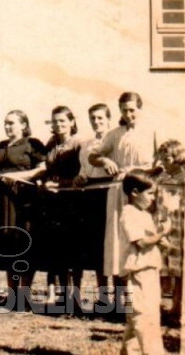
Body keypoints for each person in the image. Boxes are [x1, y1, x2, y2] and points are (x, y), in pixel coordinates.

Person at [89, 92, 158, 307]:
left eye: (132, 110)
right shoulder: (115, 133)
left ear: (140, 109)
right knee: (118, 240)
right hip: (119, 190)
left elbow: (163, 160)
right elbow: (94, 155)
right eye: (124, 110)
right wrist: (105, 160)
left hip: (143, 191)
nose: (129, 115)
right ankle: (119, 301)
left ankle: (141, 298)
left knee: (141, 239)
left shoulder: (151, 131)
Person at [0, 110, 47, 309]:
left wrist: (21, 177)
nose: (8, 126)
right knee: (8, 245)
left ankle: (25, 295)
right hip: (2, 201)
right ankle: (12, 294)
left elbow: (44, 168)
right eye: (6, 123)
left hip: (23, 200)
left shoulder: (32, 144)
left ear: (23, 124)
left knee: (24, 244)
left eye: (12, 123)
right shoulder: (0, 146)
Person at [37, 106, 84, 311]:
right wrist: (44, 183)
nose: (58, 125)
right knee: (54, 250)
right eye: (54, 122)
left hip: (72, 202)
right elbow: (46, 171)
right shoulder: (51, 144)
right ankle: (57, 296)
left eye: (62, 121)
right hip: (51, 203)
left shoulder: (79, 144)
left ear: (72, 122)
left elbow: (82, 177)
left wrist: (61, 185)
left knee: (73, 250)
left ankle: (74, 298)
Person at [119, 170, 169, 355]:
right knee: (144, 318)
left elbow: (150, 240)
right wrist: (161, 234)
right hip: (138, 272)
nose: (153, 198)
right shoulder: (128, 213)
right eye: (149, 193)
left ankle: (129, 352)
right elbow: (140, 242)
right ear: (134, 193)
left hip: (150, 270)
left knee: (142, 317)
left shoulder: (145, 215)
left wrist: (162, 241)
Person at [76, 103, 115, 307]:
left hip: (111, 191)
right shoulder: (86, 144)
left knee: (112, 243)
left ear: (108, 119)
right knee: (96, 245)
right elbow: (84, 169)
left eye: (100, 118)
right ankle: (103, 295)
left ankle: (118, 297)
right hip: (90, 195)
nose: (97, 122)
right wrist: (80, 178)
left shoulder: (114, 139)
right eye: (93, 118)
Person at [156, 139, 185, 323]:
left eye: (167, 159)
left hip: (181, 227)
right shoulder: (161, 178)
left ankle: (178, 307)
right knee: (162, 267)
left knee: (180, 269)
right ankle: (157, 306)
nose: (164, 162)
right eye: (162, 159)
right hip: (164, 226)